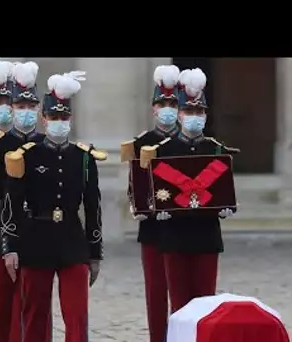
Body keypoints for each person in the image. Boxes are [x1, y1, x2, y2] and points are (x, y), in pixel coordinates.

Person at [2, 70, 106, 342]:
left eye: (64, 117)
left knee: (77, 315)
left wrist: (94, 252)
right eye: (53, 118)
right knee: (34, 314)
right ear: (44, 120)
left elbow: (93, 207)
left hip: (73, 240)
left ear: (70, 120)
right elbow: (12, 203)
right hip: (36, 238)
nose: (59, 122)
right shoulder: (26, 155)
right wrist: (10, 246)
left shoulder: (83, 157)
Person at [0, 61, 49, 342]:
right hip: (3, 228)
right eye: (20, 107)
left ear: (39, 111)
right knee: (1, 302)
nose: (26, 113)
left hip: (39, 232)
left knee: (37, 305)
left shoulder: (46, 144)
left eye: (31, 107)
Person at [148, 68, 238, 313]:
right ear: (179, 114)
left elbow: (224, 186)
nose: (194, 116)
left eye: (199, 112)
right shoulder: (163, 150)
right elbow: (154, 188)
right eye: (189, 111)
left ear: (206, 116)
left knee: (205, 304)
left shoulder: (215, 149)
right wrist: (157, 209)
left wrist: (226, 206)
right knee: (178, 304)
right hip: (174, 234)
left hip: (206, 234)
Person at [122, 64, 181, 342]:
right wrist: (139, 206)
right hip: (154, 230)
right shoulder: (141, 143)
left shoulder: (189, 142)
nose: (167, 109)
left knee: (183, 293)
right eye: (162, 104)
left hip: (185, 227)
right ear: (154, 109)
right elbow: (135, 183)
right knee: (156, 292)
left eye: (172, 104)